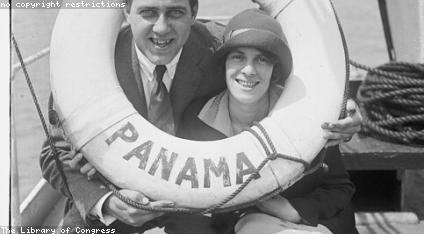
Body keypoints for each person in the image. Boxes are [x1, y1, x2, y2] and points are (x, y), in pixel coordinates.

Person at [40, 0, 362, 233]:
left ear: (194, 13)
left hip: (191, 209)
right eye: (149, 12)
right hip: (110, 210)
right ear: (126, 11)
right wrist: (107, 202)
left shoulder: (218, 51)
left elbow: (291, 61)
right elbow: (53, 153)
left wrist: (341, 107)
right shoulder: (90, 65)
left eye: (176, 12)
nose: (162, 28)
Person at [178, 9, 358, 234]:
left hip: (315, 225)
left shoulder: (305, 115)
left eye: (262, 59)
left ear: (274, 69)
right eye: (238, 57)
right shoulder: (197, 121)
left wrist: (291, 210)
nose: (249, 70)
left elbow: (339, 188)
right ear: (224, 64)